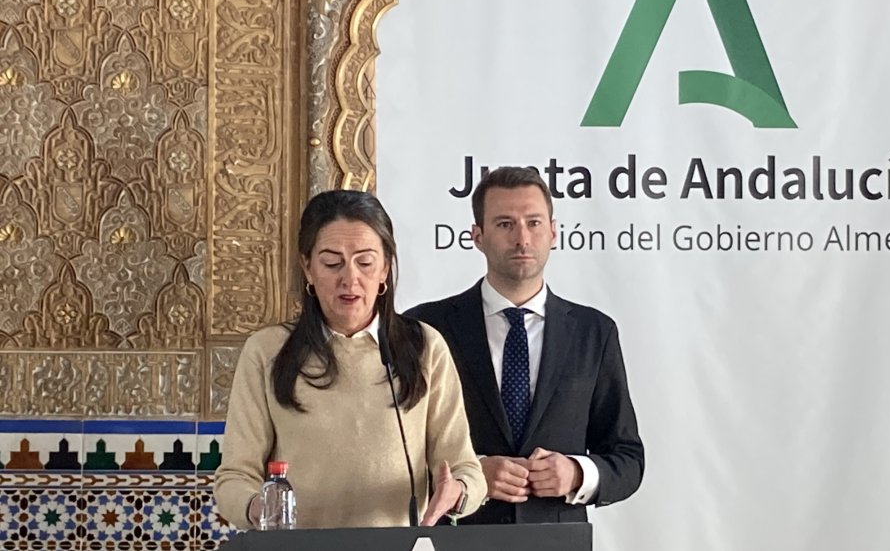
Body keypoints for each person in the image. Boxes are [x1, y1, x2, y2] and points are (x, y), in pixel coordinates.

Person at [215, 190, 484, 529]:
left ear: (385, 268)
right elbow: (234, 478)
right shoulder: (268, 351)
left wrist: (457, 492)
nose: (350, 278)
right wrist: (260, 508)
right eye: (332, 263)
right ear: (307, 268)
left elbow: (466, 470)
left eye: (365, 262)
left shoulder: (424, 346)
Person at [405, 167, 644, 524]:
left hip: (557, 542)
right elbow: (394, 452)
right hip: (457, 539)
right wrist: (471, 476)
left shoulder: (594, 332)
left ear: (553, 232)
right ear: (477, 236)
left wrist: (577, 475)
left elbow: (627, 459)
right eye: (504, 224)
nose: (522, 238)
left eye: (534, 223)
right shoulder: (424, 328)